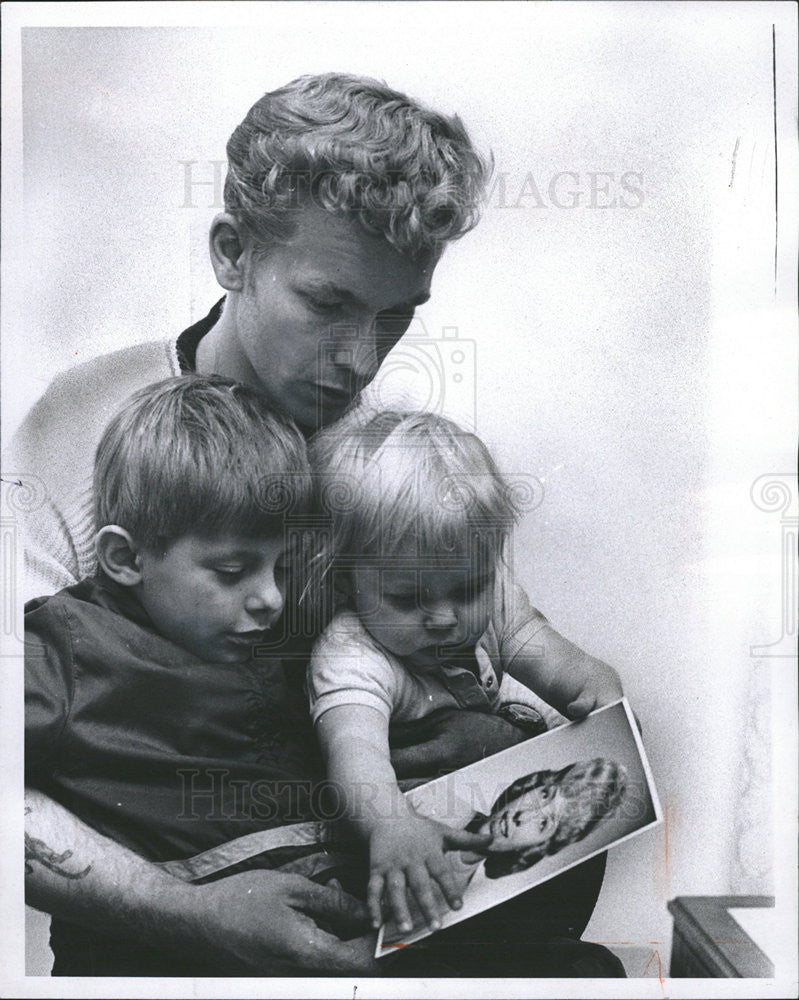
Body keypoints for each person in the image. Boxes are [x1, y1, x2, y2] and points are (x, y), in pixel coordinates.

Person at [11, 73, 622, 976]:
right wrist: (186, 913)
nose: (361, 360)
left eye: (396, 318)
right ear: (232, 254)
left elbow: (494, 634)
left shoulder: (384, 451)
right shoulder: (79, 434)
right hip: (162, 950)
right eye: (329, 304)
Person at [305, 410, 624, 933]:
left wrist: (603, 698)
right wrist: (390, 824)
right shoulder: (351, 651)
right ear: (347, 583)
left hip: (488, 835)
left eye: (468, 589)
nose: (446, 618)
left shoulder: (492, 600)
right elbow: (354, 755)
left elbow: (562, 665)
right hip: (397, 847)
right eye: (408, 598)